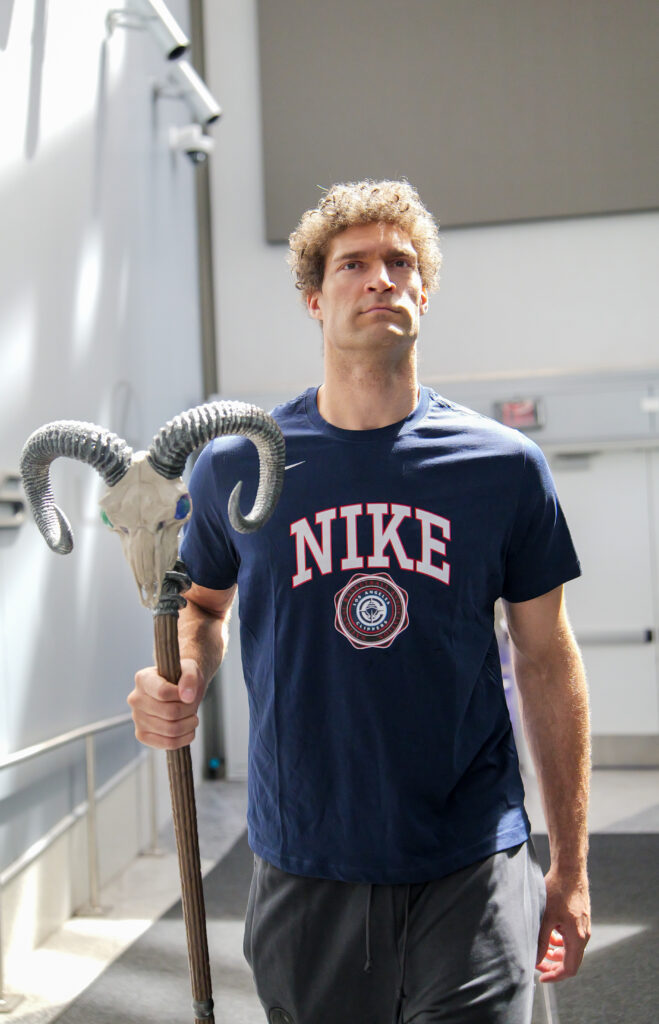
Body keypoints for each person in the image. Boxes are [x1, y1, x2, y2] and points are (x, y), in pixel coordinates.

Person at [129, 180, 591, 1024]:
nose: (381, 277)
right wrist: (181, 673)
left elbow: (546, 657)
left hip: (470, 857)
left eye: (401, 263)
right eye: (353, 264)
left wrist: (570, 866)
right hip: (306, 857)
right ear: (314, 298)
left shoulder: (502, 468)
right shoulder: (239, 465)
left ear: (424, 293)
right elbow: (201, 607)